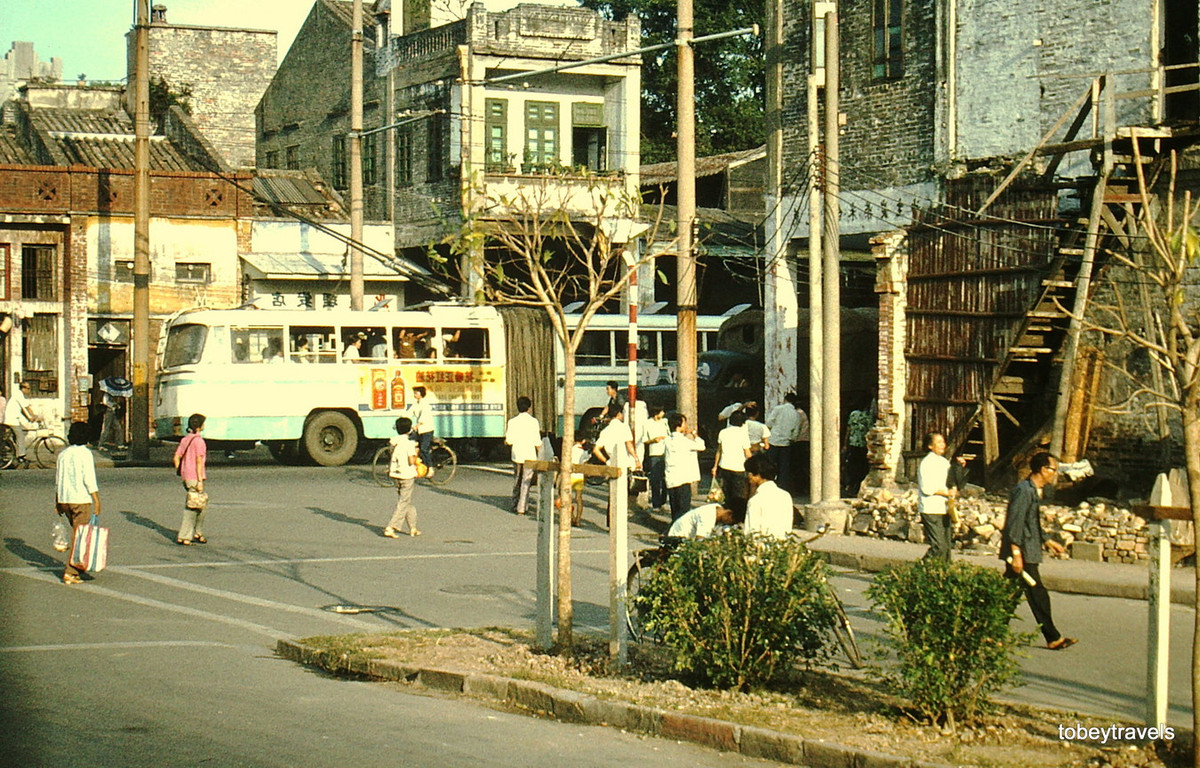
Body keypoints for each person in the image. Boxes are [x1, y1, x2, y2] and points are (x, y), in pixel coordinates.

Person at [1001, 452, 1077, 651]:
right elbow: (1015, 523)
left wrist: (1047, 541)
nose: (1055, 474)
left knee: (1010, 594)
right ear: (1043, 470)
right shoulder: (1024, 491)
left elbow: (1031, 522)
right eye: (1053, 470)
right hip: (1023, 553)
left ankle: (992, 632)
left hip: (1027, 550)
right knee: (1038, 594)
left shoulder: (1032, 491)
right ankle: (1053, 638)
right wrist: (1016, 554)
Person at [56, 421, 101, 585]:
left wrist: (57, 502)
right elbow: (89, 479)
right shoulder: (85, 454)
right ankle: (71, 571)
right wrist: (96, 500)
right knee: (80, 537)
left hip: (65, 499)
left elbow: (58, 479)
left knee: (77, 533)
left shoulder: (63, 454)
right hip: (80, 500)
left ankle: (79, 566)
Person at [593, 407, 641, 526]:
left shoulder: (605, 431)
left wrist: (607, 461)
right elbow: (629, 445)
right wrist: (636, 459)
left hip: (612, 463)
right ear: (618, 414)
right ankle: (620, 521)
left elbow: (596, 449)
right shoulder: (624, 427)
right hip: (624, 463)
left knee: (613, 494)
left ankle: (611, 521)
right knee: (623, 494)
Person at [917, 431, 954, 561]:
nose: (942, 445)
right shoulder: (926, 463)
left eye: (943, 442)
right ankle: (920, 569)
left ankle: (943, 571)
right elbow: (926, 488)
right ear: (930, 446)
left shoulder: (944, 462)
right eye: (938, 442)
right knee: (938, 546)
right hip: (930, 508)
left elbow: (951, 481)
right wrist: (945, 492)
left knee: (946, 547)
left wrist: (959, 468)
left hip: (944, 508)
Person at [174, 413, 209, 546]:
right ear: (199, 426)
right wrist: (200, 481)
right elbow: (199, 462)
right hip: (195, 477)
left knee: (200, 504)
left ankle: (198, 532)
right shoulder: (199, 441)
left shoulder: (185, 439)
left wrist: (182, 471)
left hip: (186, 477)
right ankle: (185, 536)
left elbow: (176, 457)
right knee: (192, 508)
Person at [663, 412, 705, 522]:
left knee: (675, 507)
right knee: (683, 508)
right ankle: (680, 529)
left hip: (671, 478)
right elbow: (701, 446)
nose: (686, 426)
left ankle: (674, 526)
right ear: (679, 425)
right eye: (684, 423)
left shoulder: (668, 440)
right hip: (683, 478)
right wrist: (695, 435)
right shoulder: (684, 441)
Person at [384, 416, 421, 537]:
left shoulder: (393, 442)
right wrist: (416, 453)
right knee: (403, 502)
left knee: (406, 501)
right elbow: (411, 461)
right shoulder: (409, 444)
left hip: (395, 474)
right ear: (409, 429)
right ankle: (391, 527)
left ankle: (413, 527)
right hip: (407, 475)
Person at [712, 410, 753, 519]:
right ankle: (736, 516)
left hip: (724, 466)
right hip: (738, 467)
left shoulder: (723, 432)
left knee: (727, 493)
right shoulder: (743, 434)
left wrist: (715, 466)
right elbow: (747, 453)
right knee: (738, 494)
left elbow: (719, 451)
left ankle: (727, 514)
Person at [505, 396, 541, 516]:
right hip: (529, 455)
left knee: (517, 479)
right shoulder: (534, 422)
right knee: (526, 481)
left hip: (516, 454)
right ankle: (522, 507)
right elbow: (537, 442)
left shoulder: (512, 422)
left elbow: (509, 441)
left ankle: (514, 503)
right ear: (529, 408)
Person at [743, 452, 793, 540]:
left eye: (749, 473)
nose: (748, 476)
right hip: (782, 545)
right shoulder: (785, 496)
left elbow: (751, 533)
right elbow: (788, 528)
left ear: (757, 475)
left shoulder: (755, 500)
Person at [765, 393, 802, 492]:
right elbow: (796, 432)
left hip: (774, 441)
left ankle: (768, 484)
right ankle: (782, 488)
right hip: (786, 443)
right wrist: (791, 439)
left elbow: (768, 423)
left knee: (770, 465)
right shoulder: (796, 414)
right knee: (784, 468)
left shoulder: (778, 409)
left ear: (785, 399)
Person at [842, 399, 875, 496]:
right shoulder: (868, 416)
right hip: (863, 445)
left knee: (852, 466)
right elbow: (870, 431)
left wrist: (845, 444)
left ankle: (850, 486)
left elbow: (848, 430)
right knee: (861, 467)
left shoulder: (853, 414)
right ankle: (857, 487)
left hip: (853, 444)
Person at [4, 380, 36, 468]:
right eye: (28, 388)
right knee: (20, 436)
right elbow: (26, 407)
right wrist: (33, 415)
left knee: (21, 434)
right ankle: (21, 456)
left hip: (14, 419)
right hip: (11, 420)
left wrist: (29, 418)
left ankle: (16, 448)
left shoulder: (18, 395)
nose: (29, 390)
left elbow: (22, 410)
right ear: (23, 388)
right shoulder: (18, 394)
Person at [643, 406, 669, 510]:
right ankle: (656, 503)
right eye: (661, 412)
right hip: (654, 453)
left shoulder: (664, 422)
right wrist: (653, 440)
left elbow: (669, 434)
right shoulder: (647, 423)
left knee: (665, 479)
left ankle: (663, 500)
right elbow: (645, 440)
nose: (663, 413)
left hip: (665, 451)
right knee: (655, 479)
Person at [667, 502, 735, 539]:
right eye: (731, 522)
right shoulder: (708, 515)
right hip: (679, 538)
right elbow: (700, 538)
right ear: (729, 513)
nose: (729, 524)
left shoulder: (718, 513)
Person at [407, 386, 434, 466]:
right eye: (414, 393)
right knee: (410, 443)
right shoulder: (416, 404)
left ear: (421, 394)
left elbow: (424, 417)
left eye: (416, 393)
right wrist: (401, 420)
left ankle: (430, 467)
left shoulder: (425, 404)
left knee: (424, 449)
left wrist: (417, 426)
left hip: (427, 430)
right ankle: (417, 464)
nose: (414, 394)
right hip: (419, 430)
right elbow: (409, 413)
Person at [569, 434, 588, 526]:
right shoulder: (584, 452)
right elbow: (585, 464)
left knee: (568, 497)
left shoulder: (570, 450)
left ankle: (571, 517)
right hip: (579, 476)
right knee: (578, 498)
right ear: (583, 441)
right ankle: (578, 520)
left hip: (569, 475)